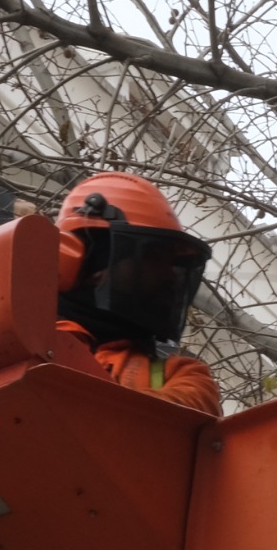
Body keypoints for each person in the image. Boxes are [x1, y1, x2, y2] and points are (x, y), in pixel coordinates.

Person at [54, 172, 222, 418]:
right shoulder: (22, 337)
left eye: (172, 264)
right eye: (152, 257)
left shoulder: (181, 375)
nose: (171, 276)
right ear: (91, 262)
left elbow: (189, 414)